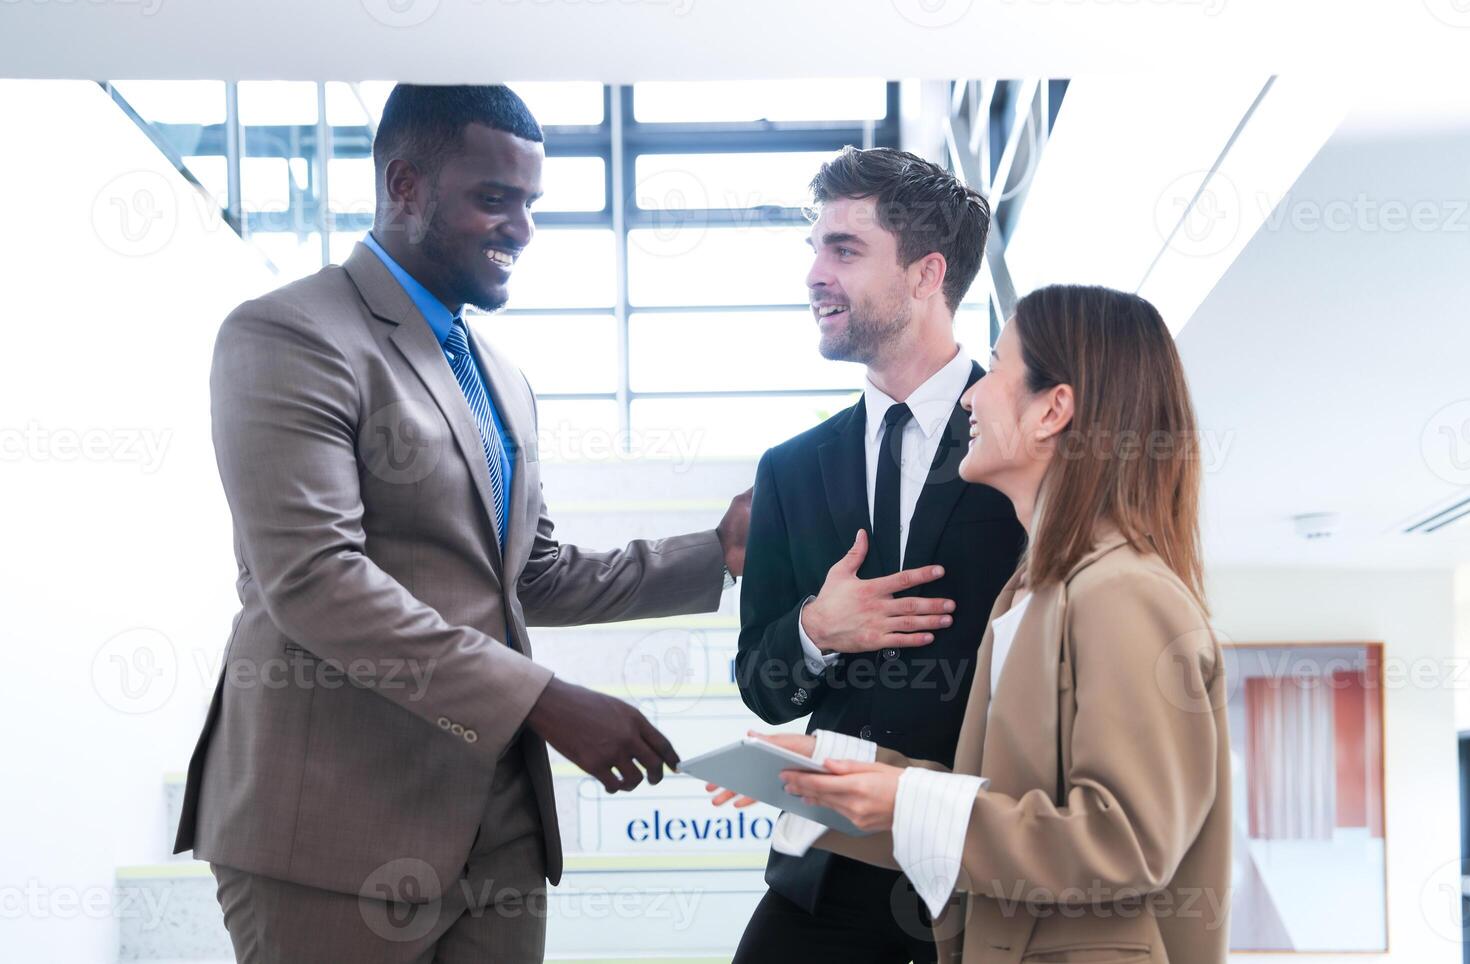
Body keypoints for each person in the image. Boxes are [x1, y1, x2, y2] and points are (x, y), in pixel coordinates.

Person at [173, 84, 751, 962]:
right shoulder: (289, 335)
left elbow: (530, 572)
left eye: (531, 204)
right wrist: (543, 698)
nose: (521, 228)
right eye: (494, 199)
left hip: (499, 830)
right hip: (331, 833)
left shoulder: (500, 375)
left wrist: (716, 553)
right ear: (404, 186)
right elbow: (316, 582)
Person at [718, 284, 1232, 962]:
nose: (970, 396)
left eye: (997, 368)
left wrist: (901, 799)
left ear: (1053, 410)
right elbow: (1014, 800)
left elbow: (1127, 839)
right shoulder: (1034, 593)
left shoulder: (1121, 591)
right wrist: (844, 766)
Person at [728, 146, 1026, 963]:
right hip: (826, 871)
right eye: (815, 248)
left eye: (845, 250)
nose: (815, 274)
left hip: (982, 867)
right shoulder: (789, 469)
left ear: (928, 274)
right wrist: (817, 630)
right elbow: (762, 684)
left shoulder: (1028, 445)